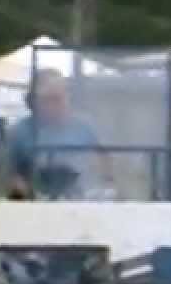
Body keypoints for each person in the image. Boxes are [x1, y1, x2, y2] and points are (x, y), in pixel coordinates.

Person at [7, 68, 113, 200]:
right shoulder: (21, 132)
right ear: (33, 102)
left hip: (81, 201)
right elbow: (13, 175)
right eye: (48, 100)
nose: (55, 105)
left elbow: (104, 162)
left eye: (59, 98)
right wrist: (22, 195)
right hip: (37, 203)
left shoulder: (85, 127)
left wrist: (106, 188)